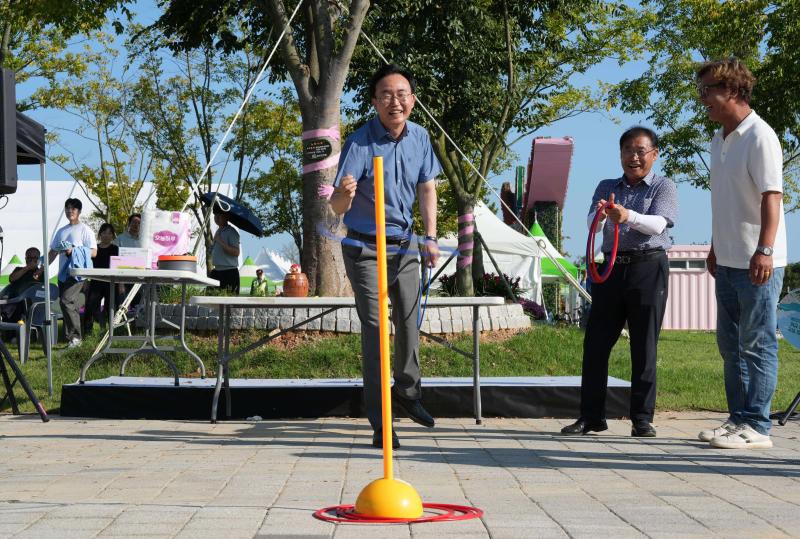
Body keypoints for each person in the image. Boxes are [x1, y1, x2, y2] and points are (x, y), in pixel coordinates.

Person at [330, 63, 441, 449]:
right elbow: (338, 207)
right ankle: (381, 422)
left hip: (404, 244)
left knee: (409, 321)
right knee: (376, 330)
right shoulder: (359, 143)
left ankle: (408, 392)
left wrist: (430, 236)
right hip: (364, 248)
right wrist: (344, 193)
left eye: (402, 94)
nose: (395, 102)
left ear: (413, 99)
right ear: (375, 102)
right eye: (386, 95)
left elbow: (427, 188)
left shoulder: (420, 137)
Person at [561, 126, 678, 438]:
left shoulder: (663, 186)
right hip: (611, 269)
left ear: (654, 154)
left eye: (641, 151)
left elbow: (659, 224)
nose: (634, 157)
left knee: (644, 345)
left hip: (648, 268)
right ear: (620, 154)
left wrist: (628, 217)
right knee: (596, 343)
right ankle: (591, 417)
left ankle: (642, 419)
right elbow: (591, 223)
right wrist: (602, 214)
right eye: (628, 150)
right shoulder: (607, 185)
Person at [695, 58, 787, 450]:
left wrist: (764, 249)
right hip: (728, 259)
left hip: (758, 263)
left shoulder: (760, 136)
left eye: (707, 91)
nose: (702, 99)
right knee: (731, 347)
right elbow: (725, 201)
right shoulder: (718, 140)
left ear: (732, 90)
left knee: (757, 344)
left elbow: (772, 197)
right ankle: (737, 420)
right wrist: (715, 247)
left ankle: (758, 427)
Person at [48, 198, 97, 348]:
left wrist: (74, 250)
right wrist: (42, 268)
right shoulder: (61, 231)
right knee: (70, 305)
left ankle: (75, 338)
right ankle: (74, 340)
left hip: (78, 273)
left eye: (73, 208)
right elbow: (53, 252)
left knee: (66, 301)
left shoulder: (85, 230)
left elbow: (94, 252)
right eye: (68, 208)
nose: (70, 211)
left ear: (79, 211)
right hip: (63, 274)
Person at [83, 223, 124, 335]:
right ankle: (87, 333)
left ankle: (113, 333)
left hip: (111, 282)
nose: (106, 235)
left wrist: (121, 284)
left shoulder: (116, 249)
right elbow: (88, 266)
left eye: (109, 233)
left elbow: (120, 267)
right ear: (100, 234)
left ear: (113, 236)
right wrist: (86, 281)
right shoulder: (94, 250)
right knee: (90, 306)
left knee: (111, 308)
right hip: (95, 281)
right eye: (104, 233)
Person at [0, 247, 44, 334]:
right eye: (29, 257)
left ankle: (18, 335)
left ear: (39, 259)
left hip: (33, 302)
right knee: (11, 305)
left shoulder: (42, 273)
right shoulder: (19, 269)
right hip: (15, 299)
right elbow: (11, 279)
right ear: (25, 258)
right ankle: (12, 334)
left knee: (16, 306)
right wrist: (27, 268)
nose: (32, 260)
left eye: (35, 257)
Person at [209, 206, 240, 294]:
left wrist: (221, 242)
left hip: (229, 272)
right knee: (211, 297)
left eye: (220, 215)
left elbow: (236, 252)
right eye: (215, 215)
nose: (217, 218)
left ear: (226, 217)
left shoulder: (231, 232)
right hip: (216, 271)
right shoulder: (218, 231)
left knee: (229, 299)